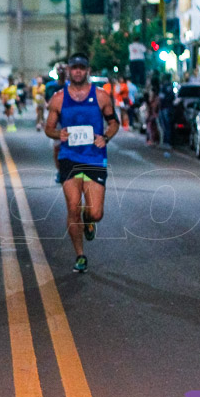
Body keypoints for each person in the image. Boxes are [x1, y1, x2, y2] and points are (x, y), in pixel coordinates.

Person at [44, 53, 119, 273]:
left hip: (95, 157)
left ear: (87, 70)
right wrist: (60, 134)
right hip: (69, 158)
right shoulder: (58, 98)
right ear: (68, 70)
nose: (77, 72)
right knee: (73, 207)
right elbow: (49, 128)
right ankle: (80, 255)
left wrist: (105, 137)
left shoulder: (101, 96)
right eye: (74, 68)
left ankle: (89, 221)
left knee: (96, 213)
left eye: (81, 68)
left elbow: (114, 123)